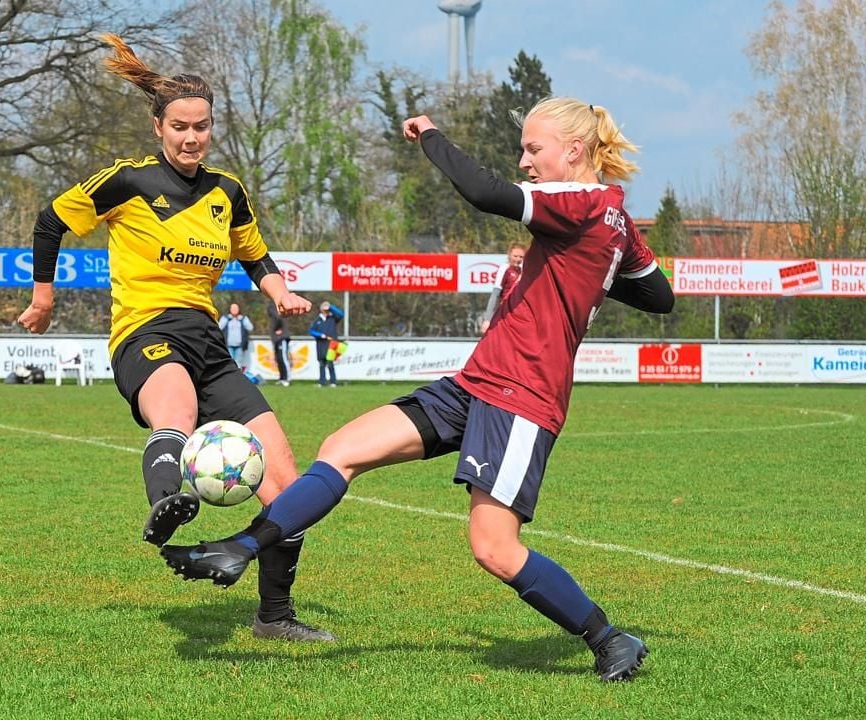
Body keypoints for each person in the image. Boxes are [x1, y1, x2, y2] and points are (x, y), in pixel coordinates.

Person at [160, 97, 676, 681]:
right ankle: (240, 548)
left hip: (523, 396)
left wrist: (430, 134)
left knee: (494, 548)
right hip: (477, 380)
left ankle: (610, 638)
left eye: (534, 149)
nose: (525, 161)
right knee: (344, 447)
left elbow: (485, 193)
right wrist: (588, 271)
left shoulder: (578, 200)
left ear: (575, 151)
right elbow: (659, 296)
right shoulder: (613, 217)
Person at [17, 34, 334, 642]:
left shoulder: (227, 192)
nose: (192, 138)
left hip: (208, 343)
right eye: (181, 126)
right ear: (157, 125)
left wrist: (279, 292)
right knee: (178, 412)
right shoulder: (128, 182)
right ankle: (167, 502)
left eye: (203, 127)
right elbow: (51, 218)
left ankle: (274, 617)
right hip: (144, 332)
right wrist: (43, 295)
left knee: (289, 487)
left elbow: (255, 254)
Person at [480, 242, 526, 334]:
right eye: (515, 256)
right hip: (505, 313)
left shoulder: (523, 271)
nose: (518, 259)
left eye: (521, 257)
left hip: (519, 314)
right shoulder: (504, 269)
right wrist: (487, 319)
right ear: (509, 255)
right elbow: (495, 295)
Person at [309, 301, 343, 387]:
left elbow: (341, 314)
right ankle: (322, 382)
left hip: (331, 344)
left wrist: (330, 307)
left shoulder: (332, 318)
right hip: (321, 344)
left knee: (330, 363)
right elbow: (311, 331)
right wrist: (320, 335)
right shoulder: (317, 321)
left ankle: (333, 382)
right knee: (321, 364)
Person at [218, 302, 253, 369]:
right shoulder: (225, 318)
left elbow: (250, 328)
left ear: (239, 309)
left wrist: (243, 320)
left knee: (238, 362)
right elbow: (219, 327)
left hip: (240, 345)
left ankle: (237, 377)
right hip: (228, 345)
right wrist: (227, 319)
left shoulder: (244, 318)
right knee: (229, 362)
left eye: (236, 308)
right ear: (230, 309)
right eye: (232, 308)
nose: (234, 309)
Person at [266, 300, 291, 386]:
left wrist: (278, 329)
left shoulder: (274, 306)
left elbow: (278, 317)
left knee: (283, 358)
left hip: (282, 338)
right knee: (279, 359)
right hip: (276, 339)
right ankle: (282, 378)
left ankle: (287, 378)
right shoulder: (273, 305)